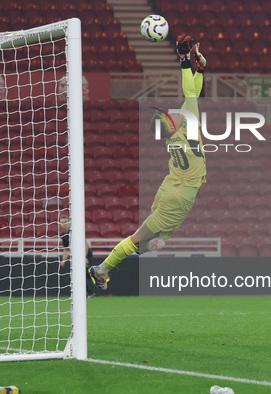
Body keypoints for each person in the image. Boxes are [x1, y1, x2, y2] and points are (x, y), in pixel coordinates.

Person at [89, 36, 207, 290]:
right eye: (170, 114)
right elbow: (189, 93)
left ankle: (135, 252)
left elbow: (192, 95)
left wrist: (200, 69)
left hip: (169, 188)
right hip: (180, 196)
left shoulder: (178, 132)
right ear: (174, 124)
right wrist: (185, 61)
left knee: (156, 240)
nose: (173, 111)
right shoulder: (191, 133)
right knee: (139, 240)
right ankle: (101, 270)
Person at [59, 214, 97, 298]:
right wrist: (63, 260)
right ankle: (88, 292)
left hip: (85, 253)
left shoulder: (74, 232)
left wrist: (84, 257)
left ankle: (90, 288)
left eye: (66, 222)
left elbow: (85, 244)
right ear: (59, 224)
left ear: (69, 222)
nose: (64, 224)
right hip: (76, 255)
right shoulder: (64, 235)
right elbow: (66, 249)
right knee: (78, 275)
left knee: (79, 275)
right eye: (62, 222)